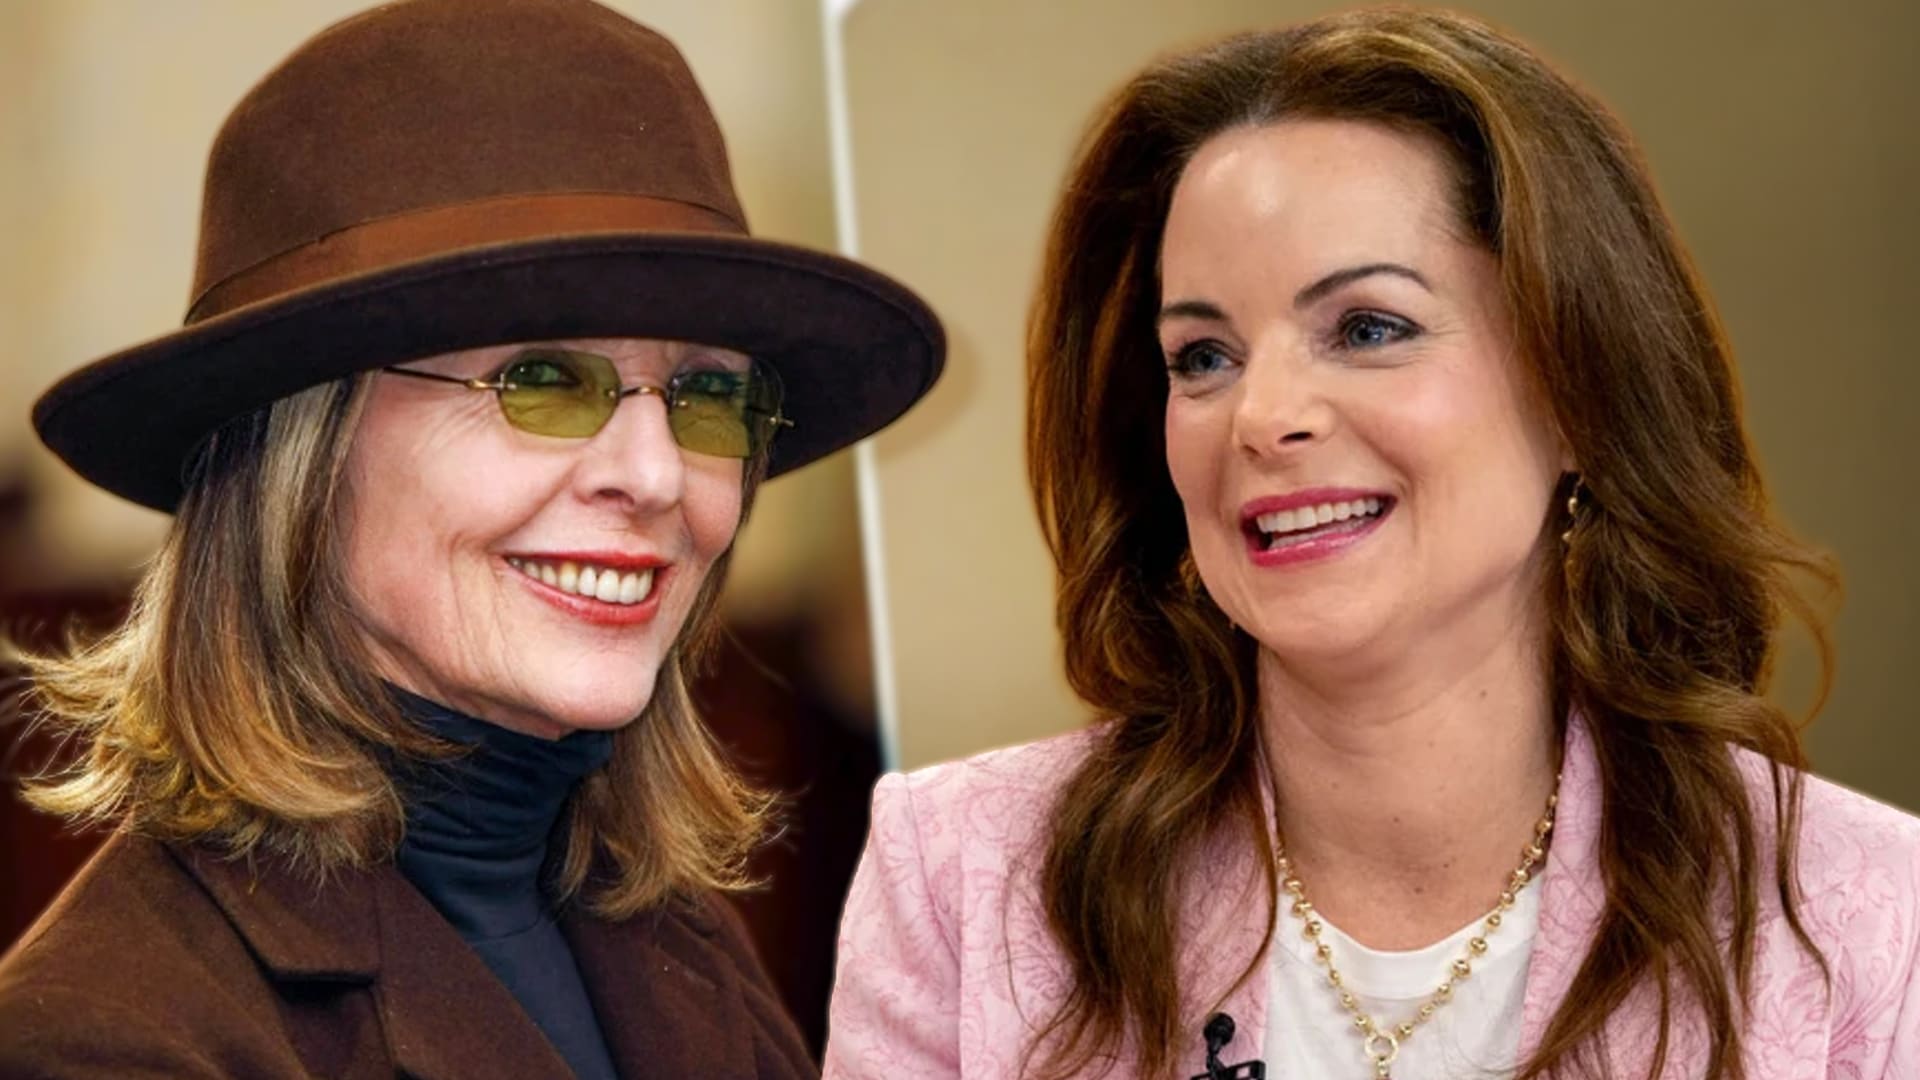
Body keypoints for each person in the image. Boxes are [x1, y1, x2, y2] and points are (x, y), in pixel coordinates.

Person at [823, 9, 1917, 1080]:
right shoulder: (961, 872)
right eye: (1203, 355)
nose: (1262, 415)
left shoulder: (1868, 914)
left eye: (1367, 329)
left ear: (1579, 386)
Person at [0, 1, 941, 1077]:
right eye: (542, 381)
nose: (655, 476)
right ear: (299, 457)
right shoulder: (105, 1043)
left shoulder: (681, 946)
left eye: (707, 395)